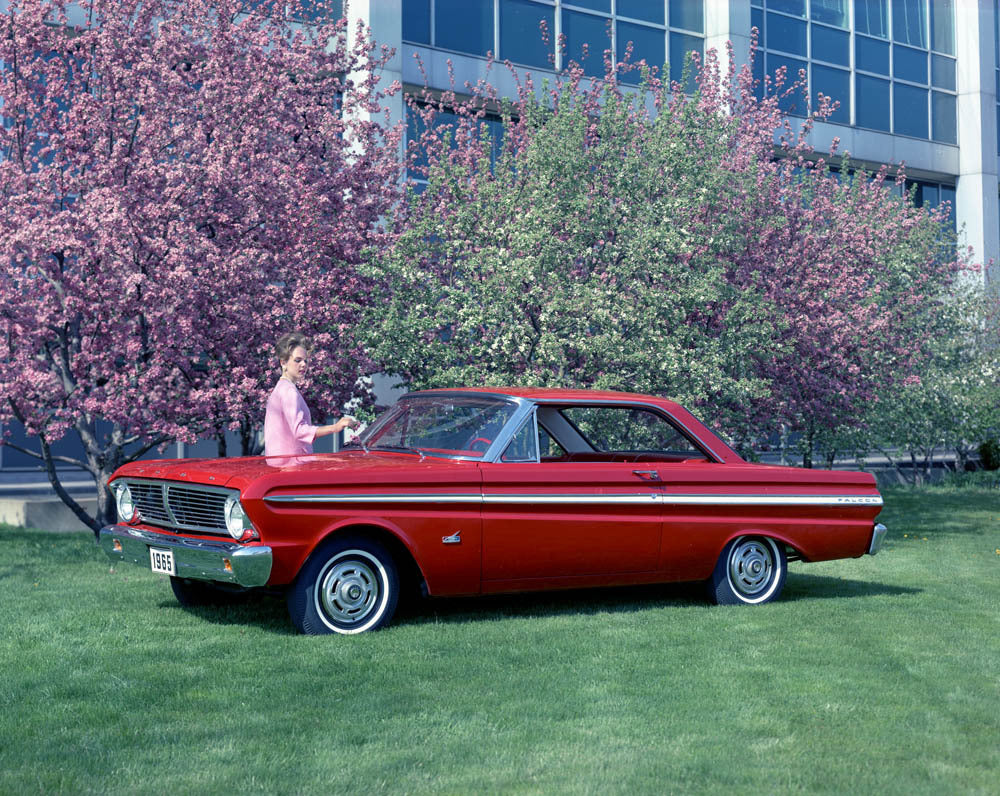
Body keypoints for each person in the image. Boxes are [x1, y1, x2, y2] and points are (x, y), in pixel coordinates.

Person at [263, 332, 359, 457]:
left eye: (305, 361)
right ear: (283, 362)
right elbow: (299, 431)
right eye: (297, 360)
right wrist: (335, 427)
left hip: (280, 466)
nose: (303, 365)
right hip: (291, 467)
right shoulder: (288, 391)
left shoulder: (280, 388)